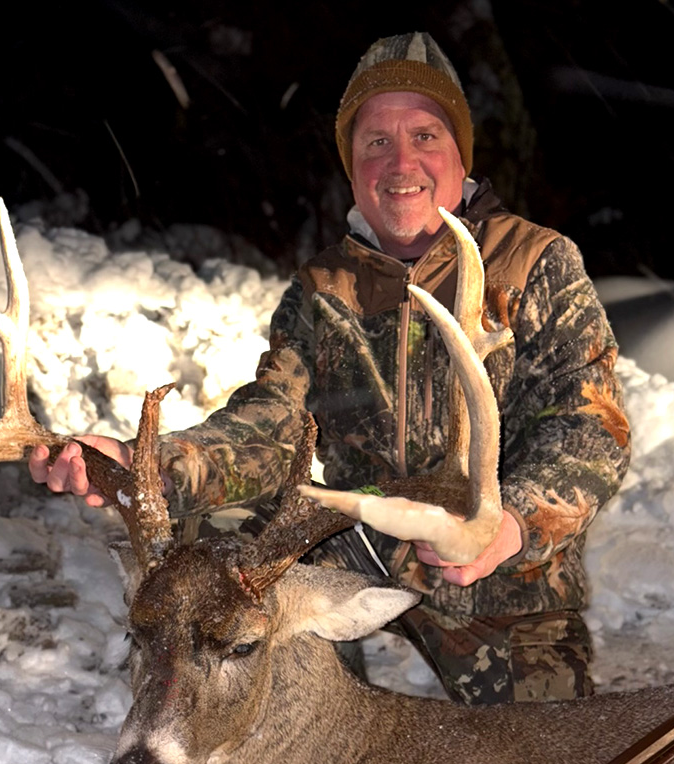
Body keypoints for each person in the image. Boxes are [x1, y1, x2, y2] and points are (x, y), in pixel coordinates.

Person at [31, 32, 630, 705]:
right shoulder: (323, 289)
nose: (401, 162)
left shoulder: (537, 262)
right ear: (352, 165)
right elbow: (268, 430)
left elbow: (593, 428)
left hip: (499, 582)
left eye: (426, 135)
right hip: (359, 555)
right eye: (375, 141)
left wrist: (511, 526)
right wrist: (150, 465)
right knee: (226, 578)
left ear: (463, 154)